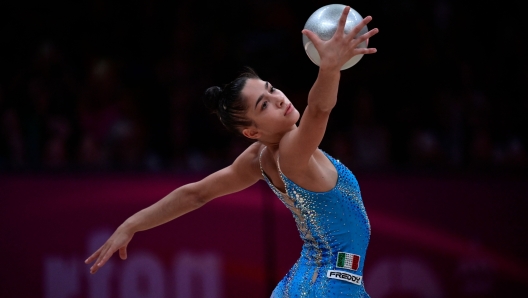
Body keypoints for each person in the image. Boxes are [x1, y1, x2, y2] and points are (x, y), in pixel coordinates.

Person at [86, 6, 378, 297]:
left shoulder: (258, 158)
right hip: (328, 287)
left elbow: (196, 194)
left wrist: (132, 224)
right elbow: (319, 109)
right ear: (252, 132)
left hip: (309, 284)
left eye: (271, 89)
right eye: (263, 105)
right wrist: (329, 69)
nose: (277, 100)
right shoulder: (292, 151)